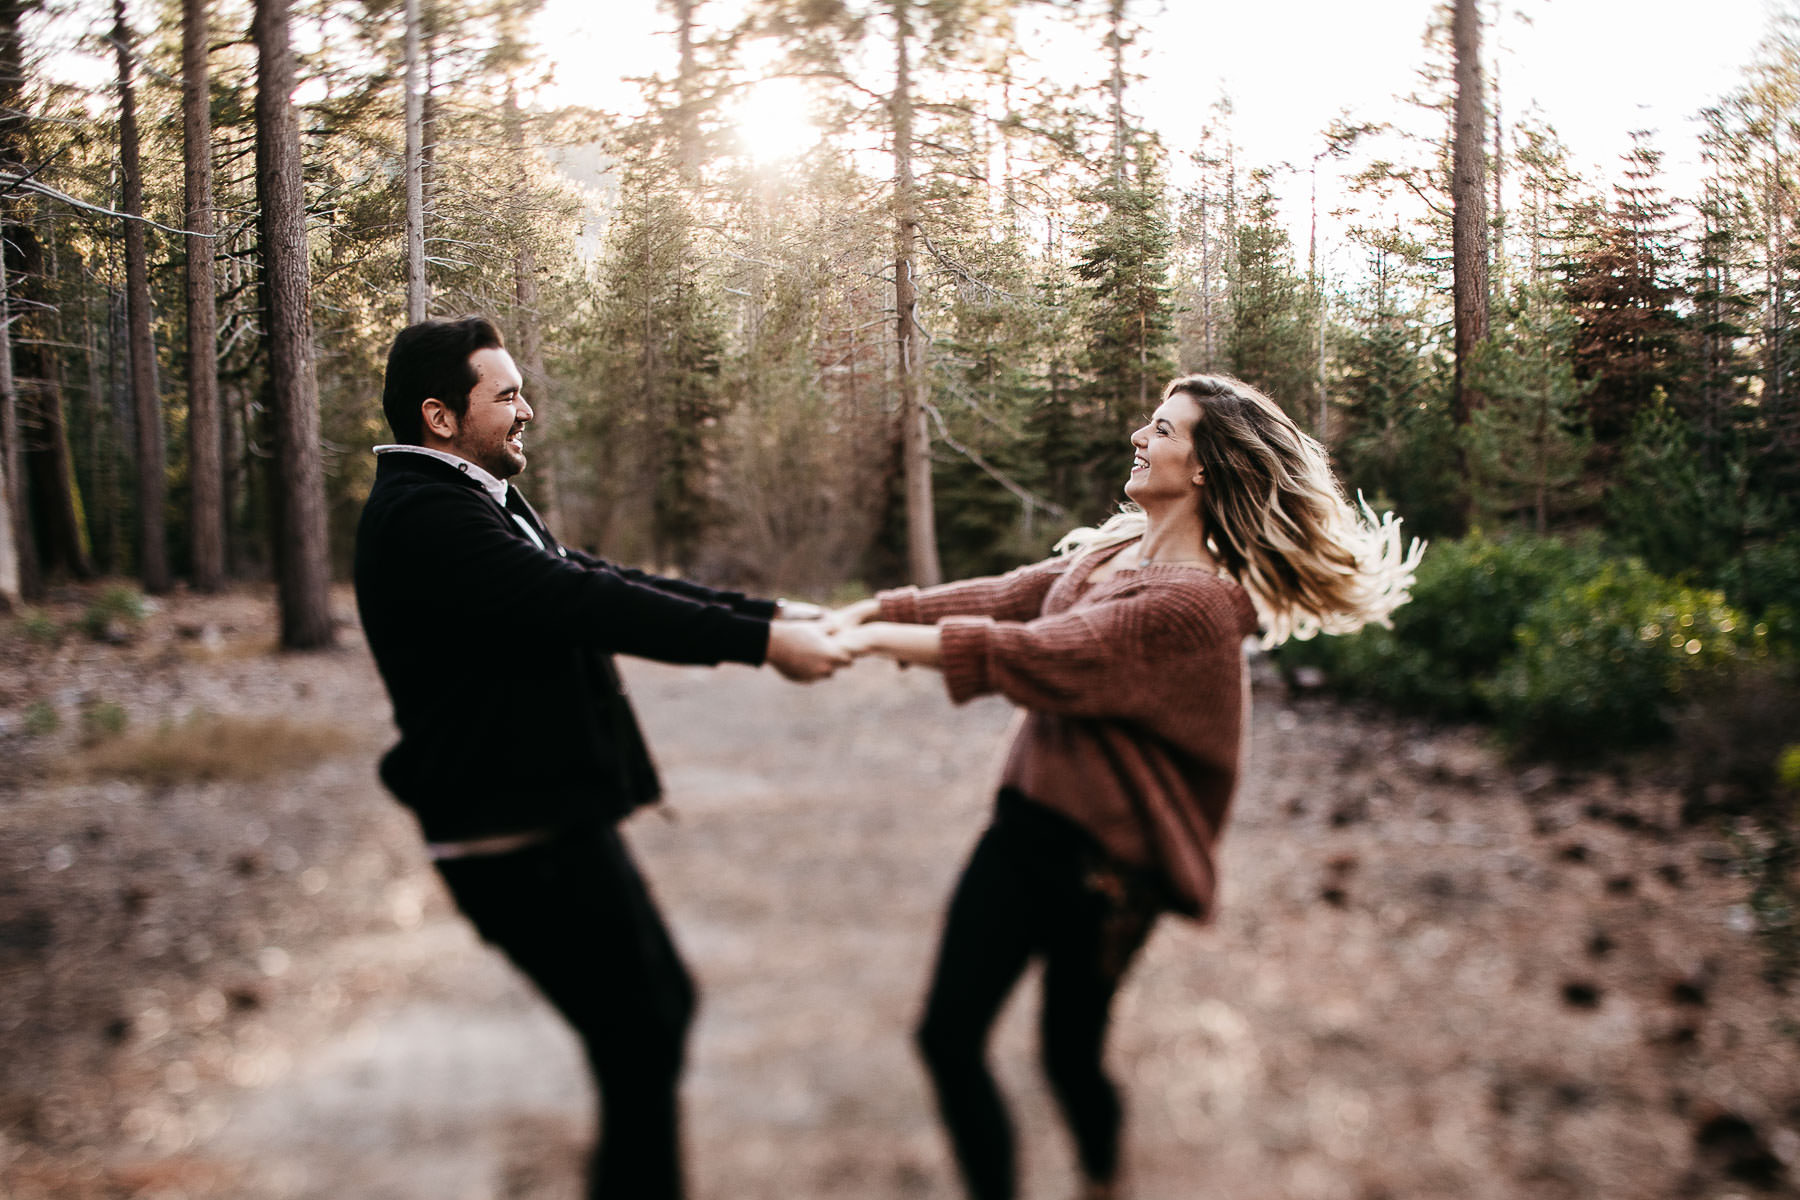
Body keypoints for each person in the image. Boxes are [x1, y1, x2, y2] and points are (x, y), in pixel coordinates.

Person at [830, 374, 1421, 1200]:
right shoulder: (1115, 551)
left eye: (1162, 430)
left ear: (1207, 465)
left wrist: (867, 644)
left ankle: (1104, 1182)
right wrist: (862, 616)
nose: (1139, 440)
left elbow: (1044, 654)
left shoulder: (1194, 608)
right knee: (946, 1036)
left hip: (1107, 873)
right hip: (1025, 828)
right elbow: (1015, 596)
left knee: (1068, 1059)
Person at [352, 315, 850, 1200]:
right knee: (644, 1029)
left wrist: (769, 615)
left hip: (553, 822)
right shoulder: (426, 516)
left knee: (654, 1020)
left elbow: (606, 577)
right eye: (506, 395)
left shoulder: (466, 500)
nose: (526, 410)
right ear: (439, 416)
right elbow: (578, 601)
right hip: (512, 839)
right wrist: (763, 648)